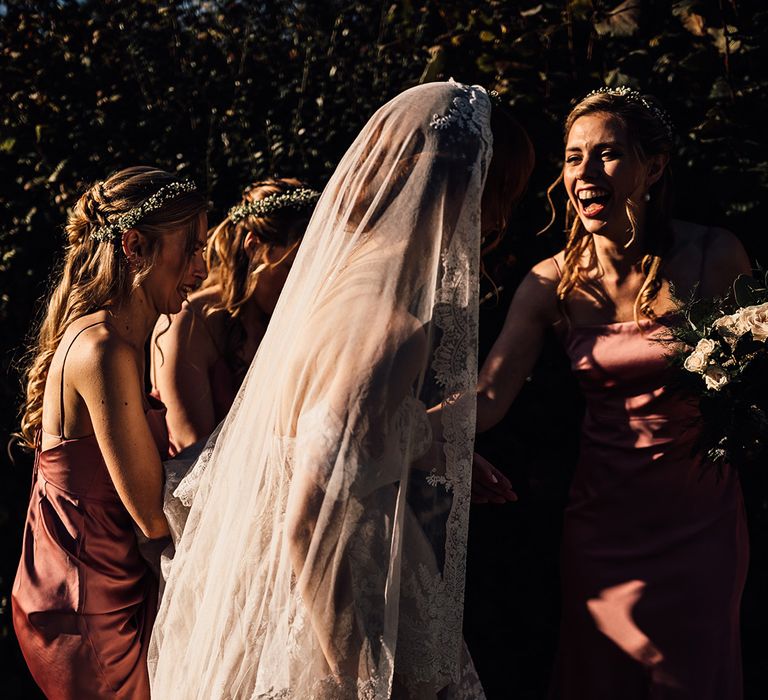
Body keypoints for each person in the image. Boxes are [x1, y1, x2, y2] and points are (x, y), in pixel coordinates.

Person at [148, 80, 534, 699]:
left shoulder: (327, 295)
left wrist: (421, 441)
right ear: (472, 195)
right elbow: (309, 520)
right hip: (332, 614)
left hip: (278, 590)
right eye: (502, 196)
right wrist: (361, 677)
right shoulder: (393, 329)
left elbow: (325, 436)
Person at [472, 86, 751, 698]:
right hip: (602, 526)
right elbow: (488, 401)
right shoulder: (552, 280)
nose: (585, 173)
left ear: (653, 167)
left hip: (701, 521)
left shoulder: (715, 256)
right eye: (573, 158)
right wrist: (388, 419)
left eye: (608, 154)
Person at [12, 166, 208, 699]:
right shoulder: (104, 350)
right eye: (189, 248)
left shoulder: (125, 335)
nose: (201, 266)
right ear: (135, 246)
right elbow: (149, 509)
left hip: (104, 583)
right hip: (88, 607)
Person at [150, 178, 318, 455]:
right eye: (290, 267)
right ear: (253, 246)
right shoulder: (188, 322)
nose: (300, 284)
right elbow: (190, 449)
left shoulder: (296, 319)